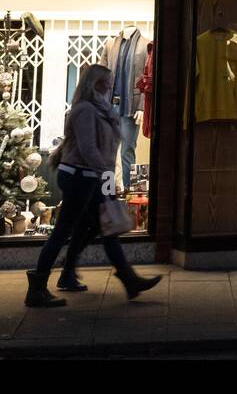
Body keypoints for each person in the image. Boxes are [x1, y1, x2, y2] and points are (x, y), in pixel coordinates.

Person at [25, 64, 161, 307]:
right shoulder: (86, 110)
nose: (110, 85)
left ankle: (76, 275)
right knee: (65, 231)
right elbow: (88, 148)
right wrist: (107, 174)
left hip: (90, 176)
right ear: (94, 84)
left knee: (99, 227)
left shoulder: (101, 108)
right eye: (106, 81)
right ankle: (38, 287)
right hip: (81, 176)